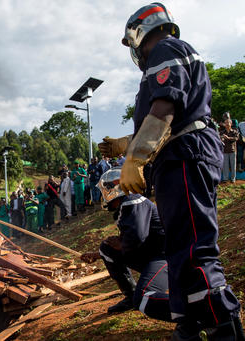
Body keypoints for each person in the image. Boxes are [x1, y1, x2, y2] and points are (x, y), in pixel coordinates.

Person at [99, 3, 244, 339]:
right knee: (180, 253)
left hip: (184, 156)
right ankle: (189, 326)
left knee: (194, 250)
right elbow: (165, 117)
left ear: (138, 34)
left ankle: (225, 329)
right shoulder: (170, 53)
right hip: (175, 157)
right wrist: (126, 144)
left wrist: (134, 158)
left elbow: (166, 108)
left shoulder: (165, 49)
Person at [81, 168, 170, 321]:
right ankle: (130, 296)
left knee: (144, 298)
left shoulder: (133, 201)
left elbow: (137, 236)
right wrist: (97, 255)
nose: (104, 194)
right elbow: (128, 241)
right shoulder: (126, 205)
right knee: (106, 248)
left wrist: (122, 244)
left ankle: (196, 313)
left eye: (106, 189)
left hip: (166, 258)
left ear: (114, 188)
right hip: (152, 255)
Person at [220, 118, 239, 183]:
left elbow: (236, 138)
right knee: (225, 166)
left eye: (228, 123)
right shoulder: (222, 132)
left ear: (231, 124)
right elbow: (219, 140)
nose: (227, 124)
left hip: (232, 151)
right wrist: (222, 138)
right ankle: (225, 178)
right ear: (224, 124)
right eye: (226, 123)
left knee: (233, 166)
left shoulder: (234, 131)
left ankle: (233, 178)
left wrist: (228, 138)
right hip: (225, 151)